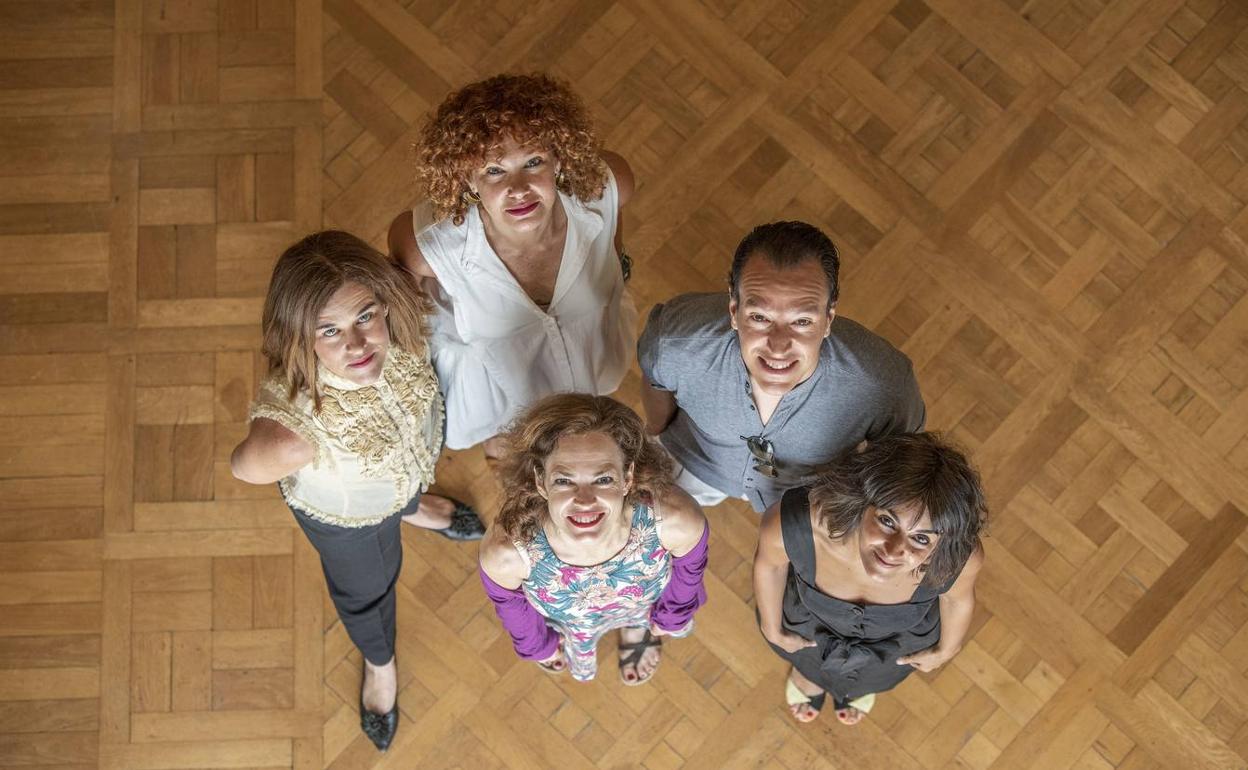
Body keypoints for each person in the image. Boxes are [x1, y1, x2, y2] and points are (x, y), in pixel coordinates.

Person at [230, 231, 485, 751]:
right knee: (366, 592)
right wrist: (287, 447)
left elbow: (411, 237)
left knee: (403, 481)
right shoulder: (298, 420)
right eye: (329, 330)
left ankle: (414, 506)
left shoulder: (403, 318)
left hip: (403, 467)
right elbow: (244, 466)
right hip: (351, 519)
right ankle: (379, 662)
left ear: (385, 302)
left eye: (364, 316)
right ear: (300, 336)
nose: (356, 345)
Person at [389, 73, 637, 458]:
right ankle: (500, 443)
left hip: (589, 349)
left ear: (558, 160)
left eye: (533, 161)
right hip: (493, 382)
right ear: (468, 181)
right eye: (494, 171)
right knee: (508, 434)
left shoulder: (610, 185)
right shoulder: (428, 246)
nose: (518, 189)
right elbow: (401, 295)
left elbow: (614, 247)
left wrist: (611, 273)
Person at [638, 220, 926, 513]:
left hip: (810, 494)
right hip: (696, 461)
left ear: (828, 318)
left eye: (802, 321)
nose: (778, 347)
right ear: (734, 310)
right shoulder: (675, 341)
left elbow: (900, 459)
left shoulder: (884, 386)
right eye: (760, 317)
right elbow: (654, 379)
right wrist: (655, 433)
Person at [753, 433, 986, 724]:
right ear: (862, 500)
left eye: (922, 539)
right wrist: (771, 626)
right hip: (810, 627)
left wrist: (947, 650)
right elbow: (770, 566)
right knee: (803, 655)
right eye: (887, 521)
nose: (893, 551)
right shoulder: (802, 522)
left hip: (895, 644)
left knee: (873, 677)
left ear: (942, 543)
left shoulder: (959, 556)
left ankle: (854, 688)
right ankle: (807, 675)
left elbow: (957, 599)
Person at [478, 394, 709, 684]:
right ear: (541, 481)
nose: (584, 501)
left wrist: (673, 614)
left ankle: (637, 629)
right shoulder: (507, 552)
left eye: (603, 479)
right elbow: (511, 607)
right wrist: (537, 645)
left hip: (641, 603)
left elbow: (689, 574)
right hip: (572, 623)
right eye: (564, 480)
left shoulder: (676, 519)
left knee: (640, 617)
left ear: (627, 477)